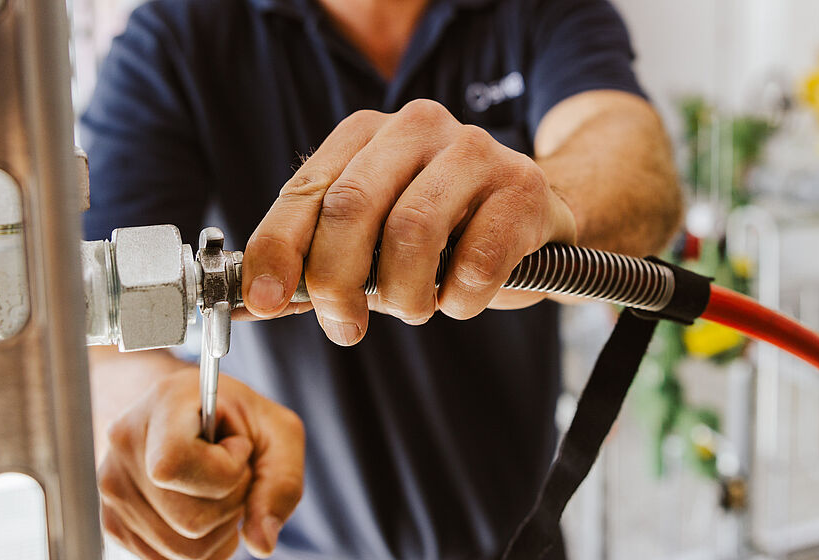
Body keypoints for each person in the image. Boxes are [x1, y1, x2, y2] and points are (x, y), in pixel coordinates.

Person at [81, 0, 681, 557]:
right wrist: (158, 410)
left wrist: (549, 201)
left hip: (520, 542)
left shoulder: (541, 10)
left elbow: (631, 159)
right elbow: (100, 336)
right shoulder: (177, 39)